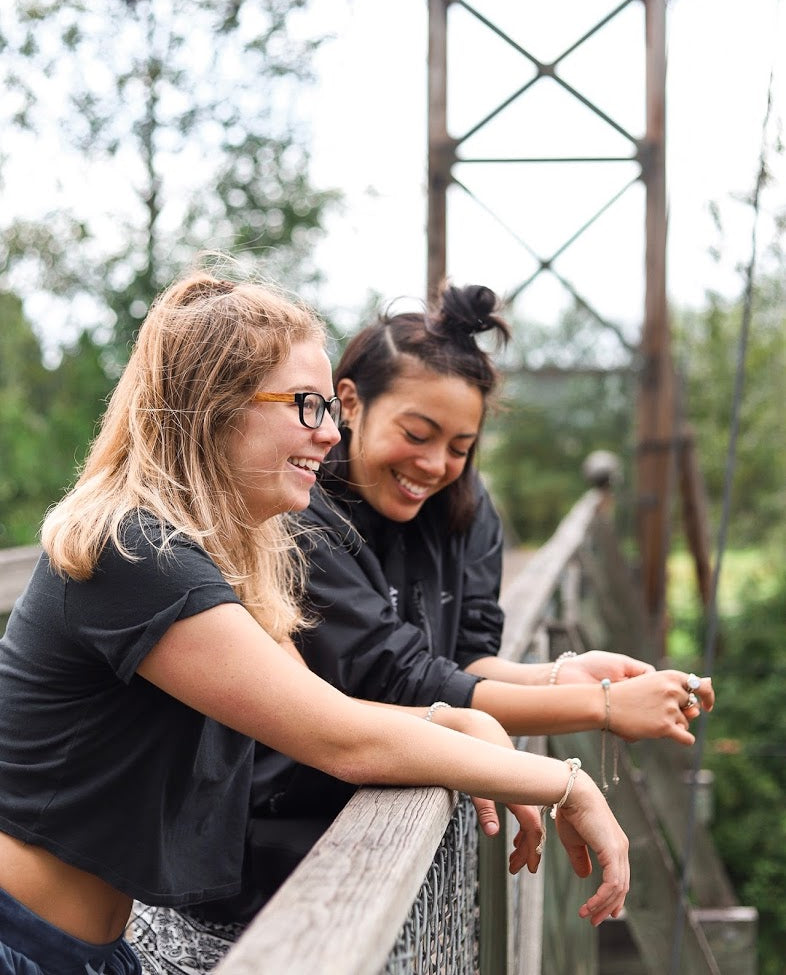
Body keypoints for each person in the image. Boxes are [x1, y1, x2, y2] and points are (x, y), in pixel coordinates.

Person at [0, 267, 630, 975]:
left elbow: (323, 710)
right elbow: (338, 740)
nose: (330, 433)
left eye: (329, 407)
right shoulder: (135, 550)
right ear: (216, 404)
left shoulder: (215, 555)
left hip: (93, 951)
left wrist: (459, 721)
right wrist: (564, 782)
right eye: (307, 405)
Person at [206, 281, 713, 918]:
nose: (434, 464)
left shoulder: (466, 509)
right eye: (417, 433)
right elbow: (398, 680)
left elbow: (465, 660)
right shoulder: (294, 517)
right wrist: (602, 707)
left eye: (459, 448)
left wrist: (559, 676)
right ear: (350, 403)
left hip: (404, 838)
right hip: (276, 851)